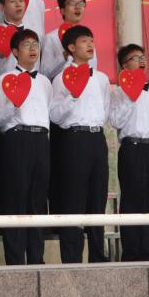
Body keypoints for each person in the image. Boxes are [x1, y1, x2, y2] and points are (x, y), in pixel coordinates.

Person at [49, 25, 110, 263]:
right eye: (84, 41)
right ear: (72, 47)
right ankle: (72, 258)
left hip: (97, 138)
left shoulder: (102, 78)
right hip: (74, 139)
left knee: (98, 198)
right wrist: (72, 97)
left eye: (92, 40)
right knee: (73, 198)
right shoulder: (61, 78)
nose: (90, 44)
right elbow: (55, 115)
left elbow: (104, 110)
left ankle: (98, 255)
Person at [0, 29, 51, 265]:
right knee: (16, 199)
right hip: (17, 139)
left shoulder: (45, 82)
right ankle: (15, 260)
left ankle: (37, 259)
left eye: (35, 44)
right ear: (15, 52)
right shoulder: (3, 80)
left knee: (38, 200)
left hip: (41, 140)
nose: (33, 49)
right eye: (27, 45)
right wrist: (14, 105)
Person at [109, 43, 149, 261]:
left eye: (143, 57)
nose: (141, 61)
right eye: (135, 58)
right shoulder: (118, 92)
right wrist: (130, 97)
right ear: (124, 66)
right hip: (131, 148)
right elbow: (115, 121)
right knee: (132, 199)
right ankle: (131, 253)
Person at [42, 0, 95, 79]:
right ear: (62, 11)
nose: (78, 7)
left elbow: (93, 66)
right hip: (61, 84)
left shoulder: (88, 37)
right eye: (72, 3)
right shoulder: (51, 38)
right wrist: (63, 57)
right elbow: (44, 72)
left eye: (81, 4)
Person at [0, 0, 34, 76]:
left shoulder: (32, 33)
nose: (18, 4)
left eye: (21, 0)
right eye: (13, 1)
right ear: (2, 7)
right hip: (3, 82)